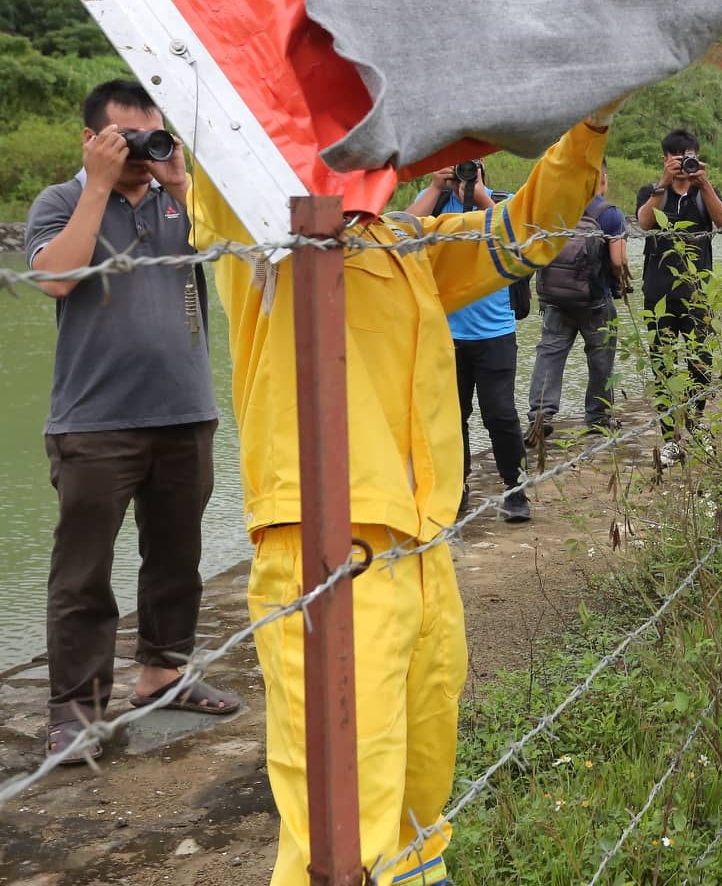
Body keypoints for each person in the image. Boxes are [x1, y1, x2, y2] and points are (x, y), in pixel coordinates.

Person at [191, 102, 617, 886]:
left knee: (421, 803)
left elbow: (528, 229)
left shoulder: (407, 244)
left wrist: (587, 121)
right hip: (325, 559)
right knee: (341, 834)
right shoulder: (260, 243)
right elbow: (223, 142)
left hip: (423, 550)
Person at [25, 79, 242, 758]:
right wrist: (97, 186)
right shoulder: (62, 200)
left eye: (152, 135)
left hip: (185, 413)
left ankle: (163, 675)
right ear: (91, 140)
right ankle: (76, 713)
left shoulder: (180, 202)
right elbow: (55, 279)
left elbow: (247, 256)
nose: (143, 152)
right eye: (126, 140)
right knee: (83, 571)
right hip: (95, 422)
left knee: (177, 557)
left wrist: (179, 187)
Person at [407, 161, 532, 523]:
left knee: (501, 414)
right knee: (451, 417)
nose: (462, 172)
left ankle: (515, 489)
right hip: (446, 335)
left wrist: (478, 195)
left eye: (470, 166)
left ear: (482, 169)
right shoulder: (433, 204)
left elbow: (520, 238)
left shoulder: (499, 203)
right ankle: (456, 489)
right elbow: (398, 234)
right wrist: (433, 187)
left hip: (496, 332)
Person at [636, 128, 722, 467]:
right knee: (662, 366)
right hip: (658, 294)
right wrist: (662, 184)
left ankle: (693, 426)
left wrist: (703, 183)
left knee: (700, 364)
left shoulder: (705, 192)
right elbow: (644, 223)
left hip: (697, 294)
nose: (684, 165)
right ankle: (670, 439)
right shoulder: (652, 191)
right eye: (678, 159)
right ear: (665, 159)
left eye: (690, 157)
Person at [526, 160, 631, 441]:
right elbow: (618, 261)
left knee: (549, 354)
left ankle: (540, 415)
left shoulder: (554, 209)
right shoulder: (609, 214)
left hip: (556, 299)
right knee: (600, 360)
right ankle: (597, 418)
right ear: (603, 180)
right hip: (595, 300)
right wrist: (619, 284)